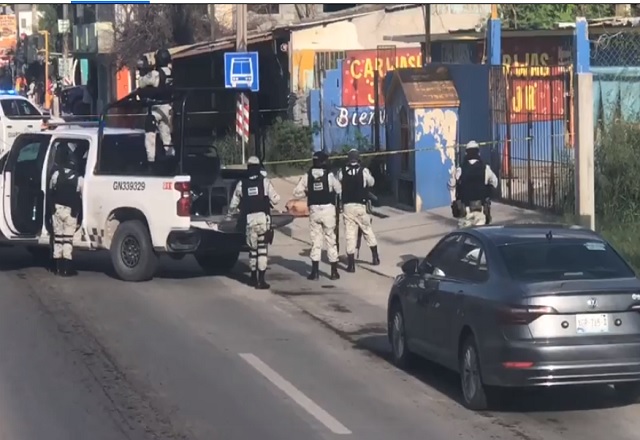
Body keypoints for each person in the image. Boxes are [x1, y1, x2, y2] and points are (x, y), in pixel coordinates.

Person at [228, 156, 280, 289]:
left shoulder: (242, 183)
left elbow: (234, 203)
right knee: (262, 249)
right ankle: (261, 280)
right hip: (263, 219)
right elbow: (276, 199)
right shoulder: (265, 182)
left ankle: (252, 278)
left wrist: (229, 214)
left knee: (253, 250)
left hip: (249, 220)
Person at [294, 151, 342, 280]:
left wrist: (308, 192)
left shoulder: (307, 175)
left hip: (314, 210)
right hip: (328, 210)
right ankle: (334, 272)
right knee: (331, 240)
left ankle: (315, 273)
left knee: (316, 241)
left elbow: (296, 193)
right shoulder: (329, 175)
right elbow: (338, 189)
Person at [337, 149, 379, 272]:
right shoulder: (364, 171)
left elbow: (338, 183)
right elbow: (372, 182)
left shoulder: (342, 171)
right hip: (361, 206)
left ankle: (351, 265)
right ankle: (375, 257)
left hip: (347, 207)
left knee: (350, 235)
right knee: (367, 231)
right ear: (358, 158)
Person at [49, 142, 83, 276]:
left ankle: (58, 268)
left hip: (57, 210)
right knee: (68, 240)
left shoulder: (56, 174)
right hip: (71, 211)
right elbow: (81, 195)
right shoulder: (79, 178)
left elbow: (51, 190)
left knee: (58, 238)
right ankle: (66, 269)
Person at [448, 140, 498, 228]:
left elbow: (451, 185)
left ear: (466, 153)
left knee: (465, 234)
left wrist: (454, 200)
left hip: (465, 210)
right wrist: (487, 190)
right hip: (480, 209)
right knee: (480, 234)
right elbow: (495, 183)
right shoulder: (486, 168)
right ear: (478, 153)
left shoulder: (460, 169)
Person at [138, 48, 174, 161]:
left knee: (150, 133)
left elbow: (141, 82)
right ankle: (171, 158)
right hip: (168, 108)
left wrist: (144, 72)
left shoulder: (155, 74)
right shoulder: (171, 73)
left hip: (156, 108)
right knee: (167, 136)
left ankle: (151, 160)